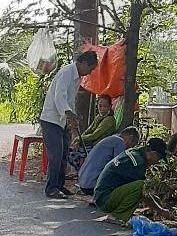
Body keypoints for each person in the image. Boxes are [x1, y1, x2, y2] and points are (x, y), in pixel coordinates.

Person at [39, 50, 99, 199]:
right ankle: (51, 188)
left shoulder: (76, 78)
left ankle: (59, 185)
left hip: (62, 121)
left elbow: (70, 100)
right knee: (56, 155)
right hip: (51, 119)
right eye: (90, 69)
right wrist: (67, 113)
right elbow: (60, 95)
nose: (89, 72)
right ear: (84, 63)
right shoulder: (66, 73)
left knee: (64, 153)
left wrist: (72, 118)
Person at [92, 137, 168, 224]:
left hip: (101, 195)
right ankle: (117, 216)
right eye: (158, 159)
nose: (157, 162)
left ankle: (122, 212)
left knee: (140, 187)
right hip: (105, 199)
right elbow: (143, 192)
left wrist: (155, 200)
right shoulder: (138, 163)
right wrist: (161, 210)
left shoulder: (136, 152)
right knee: (140, 186)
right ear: (153, 154)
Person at [77, 126, 140, 195]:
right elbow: (119, 166)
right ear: (130, 138)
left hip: (83, 183)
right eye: (132, 145)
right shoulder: (119, 142)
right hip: (91, 185)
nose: (130, 148)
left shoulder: (111, 139)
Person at [67, 95, 117, 171]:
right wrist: (79, 140)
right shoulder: (98, 117)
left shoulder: (109, 120)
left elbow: (95, 135)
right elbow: (88, 130)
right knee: (70, 151)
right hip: (92, 143)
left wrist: (78, 139)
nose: (102, 109)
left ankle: (82, 170)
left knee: (73, 153)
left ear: (110, 106)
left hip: (100, 146)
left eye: (105, 106)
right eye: (100, 106)